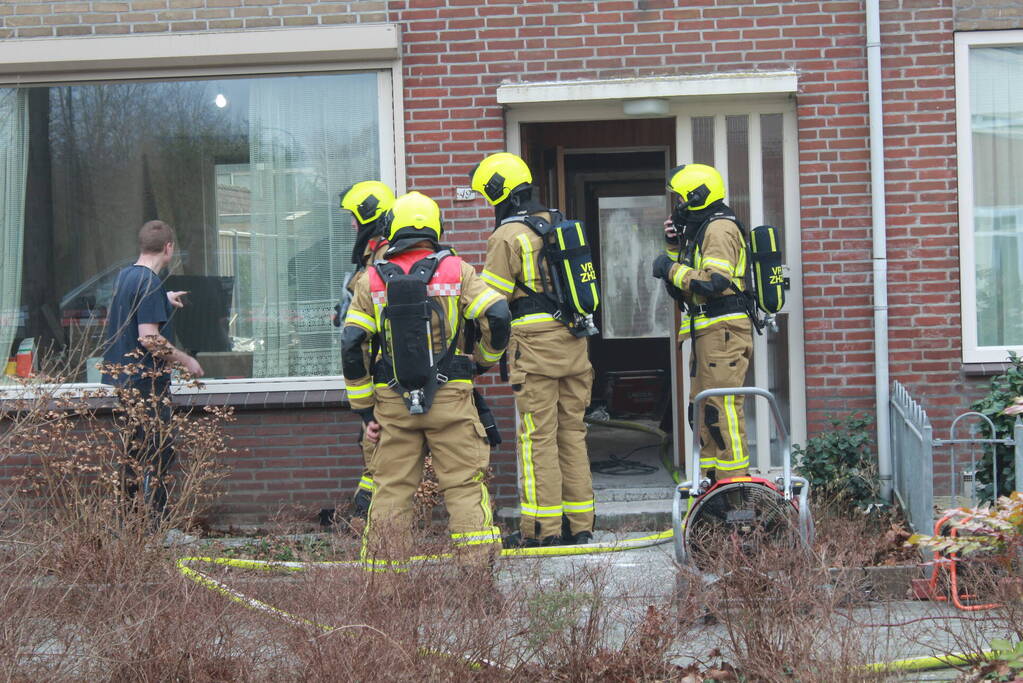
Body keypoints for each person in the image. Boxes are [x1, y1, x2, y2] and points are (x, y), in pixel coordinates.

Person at [340, 191, 511, 576]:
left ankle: (384, 588)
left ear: (392, 229)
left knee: (391, 491)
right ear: (435, 227)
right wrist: (483, 360)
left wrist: (365, 408)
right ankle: (477, 581)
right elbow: (498, 316)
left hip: (392, 404)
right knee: (464, 487)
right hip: (450, 397)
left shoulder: (370, 280)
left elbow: (353, 345)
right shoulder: (457, 270)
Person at [469, 152, 595, 548]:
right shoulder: (557, 223)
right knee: (573, 434)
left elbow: (494, 307)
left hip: (534, 349)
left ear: (500, 193)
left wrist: (482, 357)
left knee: (537, 438)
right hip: (575, 343)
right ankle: (582, 524)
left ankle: (542, 530)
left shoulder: (506, 237)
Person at [651, 163, 753, 481]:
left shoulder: (719, 229)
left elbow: (714, 283)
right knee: (704, 412)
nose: (678, 206)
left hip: (723, 332)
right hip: (708, 332)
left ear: (697, 197)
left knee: (722, 412)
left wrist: (669, 267)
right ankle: (712, 486)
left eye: (681, 199)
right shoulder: (703, 230)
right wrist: (672, 247)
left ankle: (736, 493)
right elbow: (684, 287)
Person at [101, 219, 204, 519]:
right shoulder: (149, 283)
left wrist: (163, 300)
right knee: (158, 453)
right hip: (145, 382)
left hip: (124, 379)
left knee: (134, 453)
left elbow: (130, 313)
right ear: (168, 248)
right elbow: (148, 337)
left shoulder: (126, 277)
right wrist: (187, 360)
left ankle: (130, 525)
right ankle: (154, 528)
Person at [338, 181, 396, 520]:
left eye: (354, 217)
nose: (351, 225)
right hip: (371, 368)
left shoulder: (384, 257)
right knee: (373, 444)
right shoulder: (371, 256)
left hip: (381, 372)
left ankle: (372, 520)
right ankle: (370, 517)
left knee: (379, 446)